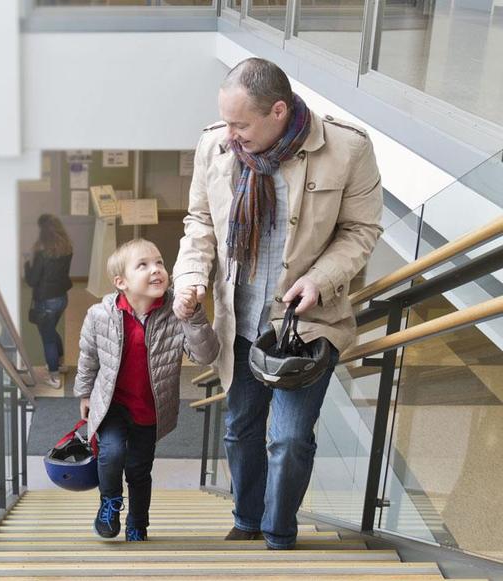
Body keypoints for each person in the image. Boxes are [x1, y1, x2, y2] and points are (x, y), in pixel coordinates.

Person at [172, 58, 383, 550]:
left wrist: (320, 278)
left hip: (307, 325)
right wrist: (191, 277)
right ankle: (246, 518)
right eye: (226, 121)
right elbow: (199, 221)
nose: (229, 134)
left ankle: (278, 532)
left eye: (241, 124)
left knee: (288, 438)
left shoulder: (348, 149)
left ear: (279, 112)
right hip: (239, 322)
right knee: (241, 427)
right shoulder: (215, 146)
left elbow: (361, 231)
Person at [74, 239, 219, 541]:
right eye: (143, 265)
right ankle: (110, 502)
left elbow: (206, 355)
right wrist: (85, 393)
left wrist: (192, 315)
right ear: (121, 282)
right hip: (112, 403)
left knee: (139, 470)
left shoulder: (175, 311)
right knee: (111, 453)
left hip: (150, 407)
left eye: (159, 263)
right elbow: (88, 357)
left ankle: (138, 523)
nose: (156, 270)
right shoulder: (100, 315)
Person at [24, 214, 74, 388]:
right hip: (62, 298)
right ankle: (59, 364)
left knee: (47, 338)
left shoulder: (42, 252)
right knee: (52, 330)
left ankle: (54, 377)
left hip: (46, 301)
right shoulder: (67, 248)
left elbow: (32, 280)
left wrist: (26, 264)